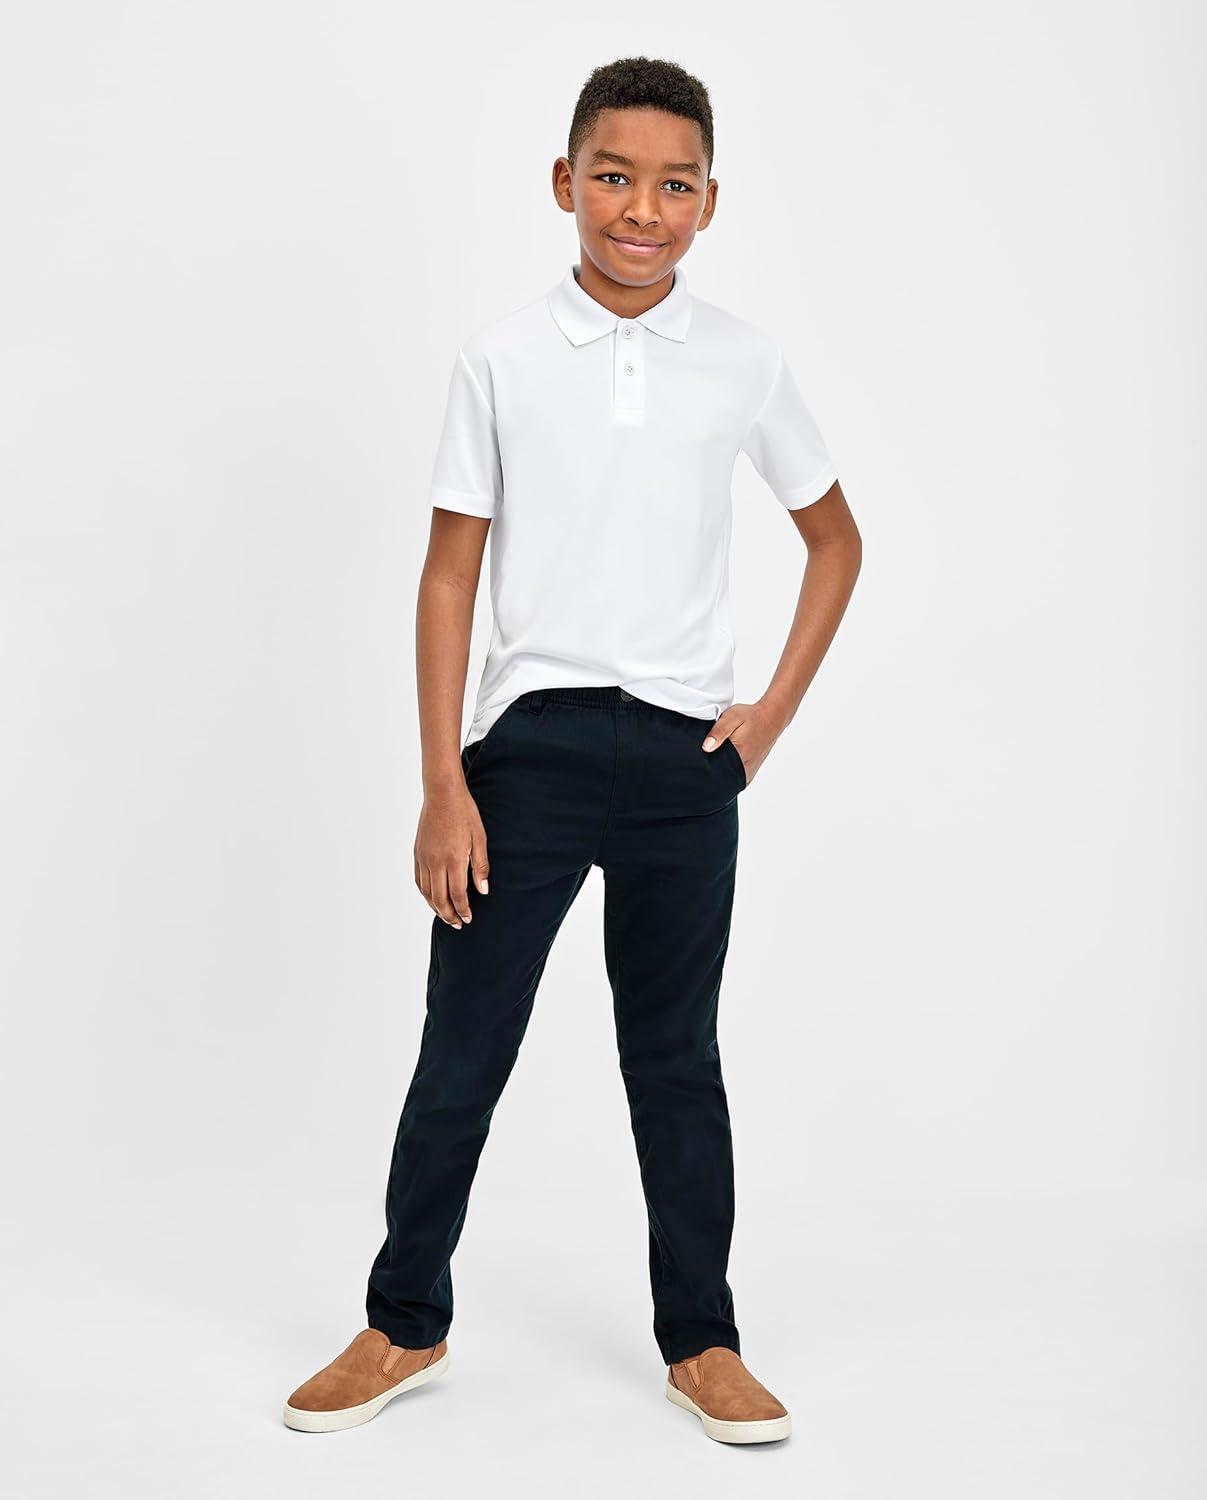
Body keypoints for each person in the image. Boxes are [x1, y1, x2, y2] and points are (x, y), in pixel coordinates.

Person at [283, 54, 862, 1444]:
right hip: (526, 756)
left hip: (684, 764)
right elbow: (448, 577)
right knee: (464, 1049)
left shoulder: (743, 361)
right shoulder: (501, 359)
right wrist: (444, 782)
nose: (640, 209)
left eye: (673, 185)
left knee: (676, 1061)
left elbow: (836, 540)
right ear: (565, 183)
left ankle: (701, 1340)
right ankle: (404, 1319)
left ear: (709, 202)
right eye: (613, 177)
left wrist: (767, 717)